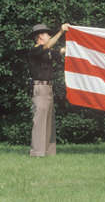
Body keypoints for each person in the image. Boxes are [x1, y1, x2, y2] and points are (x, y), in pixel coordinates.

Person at [28, 23, 69, 156]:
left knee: (49, 121)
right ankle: (37, 152)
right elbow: (47, 46)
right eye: (47, 34)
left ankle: (49, 151)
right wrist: (60, 32)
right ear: (40, 36)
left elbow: (61, 51)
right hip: (40, 88)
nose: (49, 36)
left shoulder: (48, 52)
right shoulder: (35, 50)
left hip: (48, 88)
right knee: (40, 120)